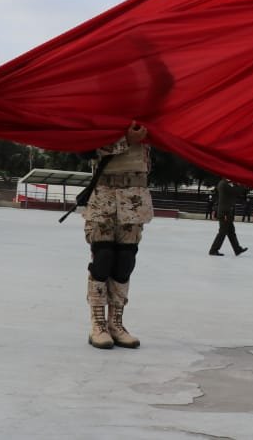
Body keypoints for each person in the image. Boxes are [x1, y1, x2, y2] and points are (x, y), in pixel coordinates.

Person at [83, 122, 152, 350]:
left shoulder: (151, 118)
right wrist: (125, 141)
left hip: (135, 196)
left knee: (125, 262)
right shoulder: (104, 113)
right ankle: (98, 324)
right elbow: (84, 148)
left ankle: (116, 323)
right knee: (103, 258)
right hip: (104, 195)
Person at [209, 178, 248, 256]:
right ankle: (213, 250)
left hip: (226, 211)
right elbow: (237, 191)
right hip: (225, 212)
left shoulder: (224, 182)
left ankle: (237, 249)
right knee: (222, 232)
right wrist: (241, 184)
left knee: (231, 232)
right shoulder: (226, 183)